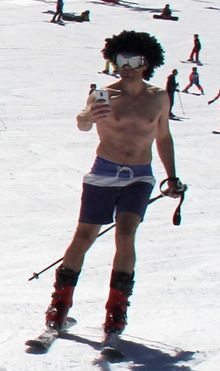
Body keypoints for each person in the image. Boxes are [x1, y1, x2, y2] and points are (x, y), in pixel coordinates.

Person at [39, 31, 183, 348]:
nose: (126, 67)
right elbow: (82, 121)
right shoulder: (104, 95)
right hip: (103, 173)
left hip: (139, 176)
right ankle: (58, 308)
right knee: (83, 236)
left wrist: (171, 177)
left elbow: (163, 137)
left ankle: (115, 313)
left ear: (147, 64)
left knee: (126, 233)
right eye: (121, 60)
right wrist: (89, 115)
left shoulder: (158, 97)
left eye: (134, 61)